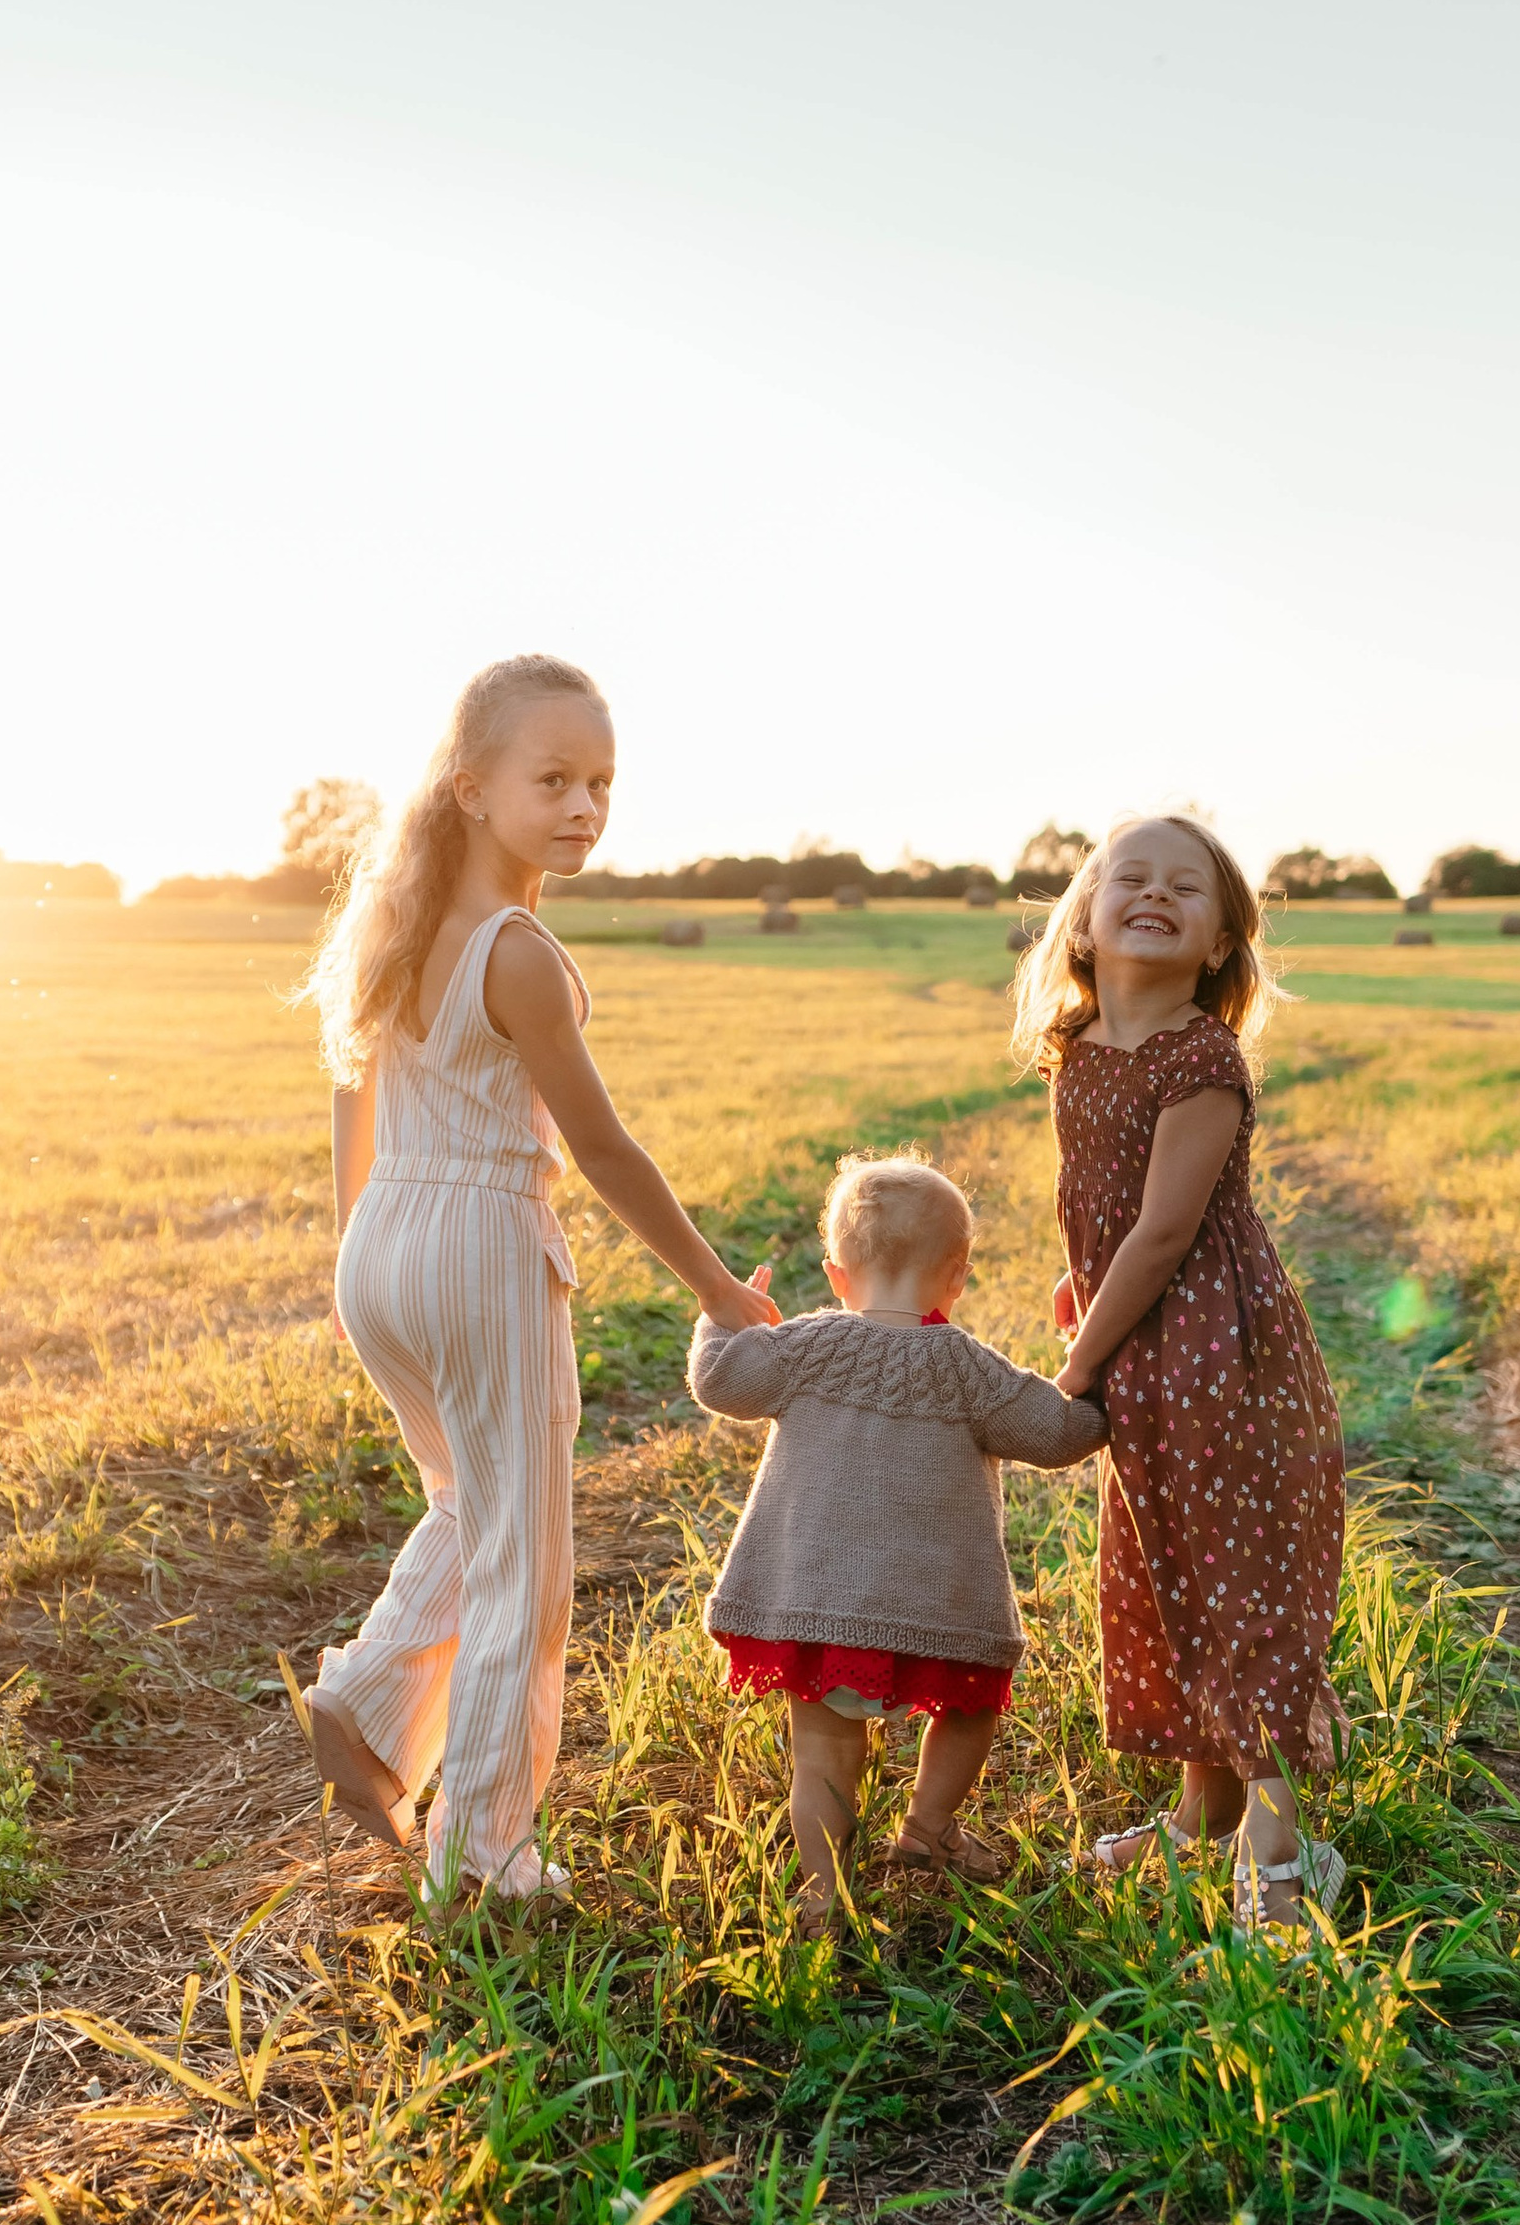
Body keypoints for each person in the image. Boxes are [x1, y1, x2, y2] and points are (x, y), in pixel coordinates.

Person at [302, 653, 776, 1904]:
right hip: (477, 1247)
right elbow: (603, 1150)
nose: (584, 807)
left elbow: (351, 1100)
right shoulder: (516, 952)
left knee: (473, 1508)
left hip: (383, 1245)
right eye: (553, 779)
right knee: (527, 1561)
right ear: (470, 786)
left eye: (601, 783)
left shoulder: (393, 927)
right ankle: (483, 1848)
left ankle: (366, 1699)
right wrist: (718, 1289)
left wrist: (356, 1247)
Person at [1010, 812, 1349, 1934]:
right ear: (1083, 922)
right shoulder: (1078, 1050)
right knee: (1166, 1569)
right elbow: (1099, 1213)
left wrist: (1073, 1369)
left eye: (1184, 888)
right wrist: (1079, 1292)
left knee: (1236, 1582)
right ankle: (1202, 1819)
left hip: (1216, 1356)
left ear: (1219, 947)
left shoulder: (1201, 1059)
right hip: (1143, 1348)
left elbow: (1162, 1234)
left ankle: (1281, 1856)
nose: (1154, 894)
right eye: (1131, 878)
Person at [688, 1152, 1105, 1927]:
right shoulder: (970, 1370)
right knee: (970, 1710)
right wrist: (1095, 1356)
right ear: (958, 1277)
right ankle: (927, 1825)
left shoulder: (804, 1347)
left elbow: (720, 1382)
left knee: (822, 1756)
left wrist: (721, 1313)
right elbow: (1061, 1433)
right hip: (938, 1613)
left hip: (817, 1610)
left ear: (837, 1274)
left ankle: (826, 1892)